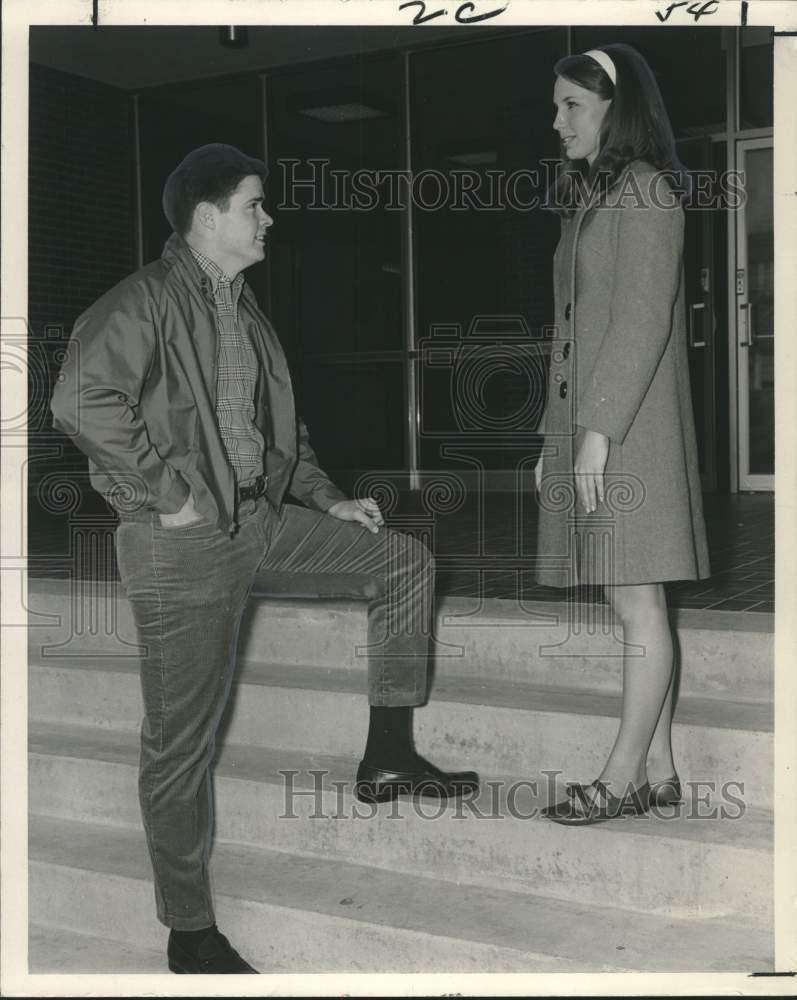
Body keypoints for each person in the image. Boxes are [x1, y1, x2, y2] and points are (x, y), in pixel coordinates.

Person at [50, 143, 478, 973]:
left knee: (401, 561)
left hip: (262, 521)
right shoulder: (141, 301)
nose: (268, 217)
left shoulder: (242, 309)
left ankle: (387, 754)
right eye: (255, 204)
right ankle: (188, 931)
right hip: (182, 544)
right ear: (208, 218)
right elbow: (79, 399)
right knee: (181, 743)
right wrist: (165, 495)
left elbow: (281, 433)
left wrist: (327, 499)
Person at [533, 45, 710, 825]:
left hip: (628, 428)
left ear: (615, 107)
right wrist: (554, 438)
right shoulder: (593, 198)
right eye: (556, 105)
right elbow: (571, 332)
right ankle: (663, 769)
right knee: (635, 600)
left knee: (637, 602)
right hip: (600, 425)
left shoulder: (646, 193)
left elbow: (641, 322)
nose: (557, 120)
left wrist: (597, 433)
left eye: (571, 104)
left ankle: (621, 776)